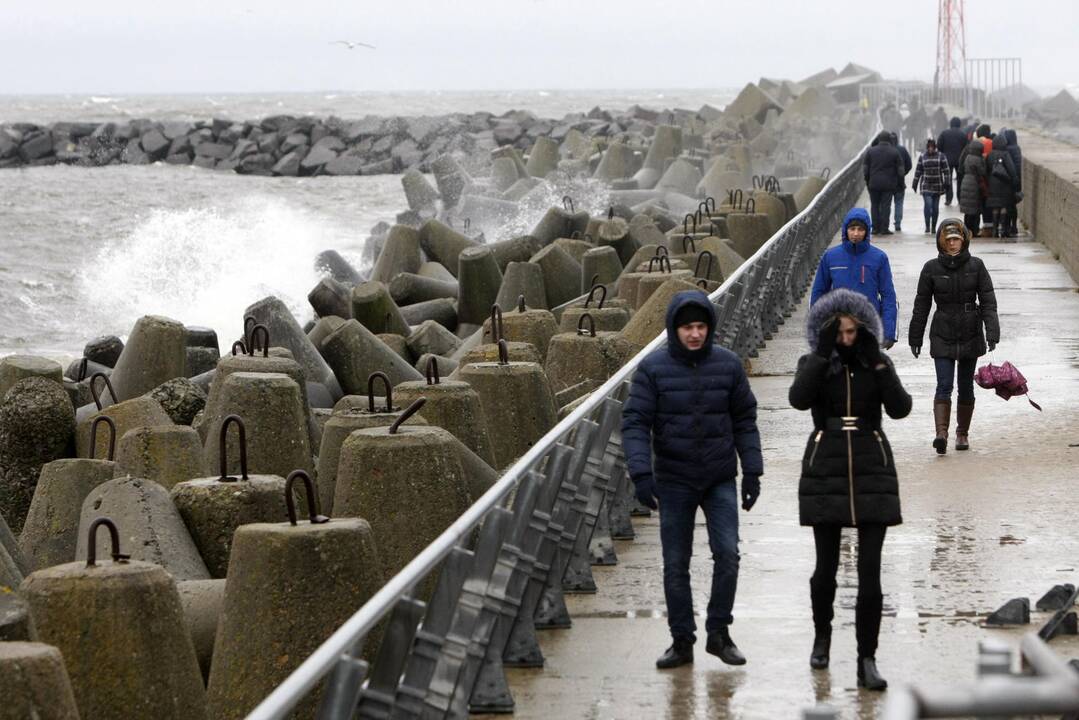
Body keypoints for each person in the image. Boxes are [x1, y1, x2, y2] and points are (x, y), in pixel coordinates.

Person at [621, 290, 763, 669]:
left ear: (710, 328)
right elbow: (635, 422)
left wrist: (752, 470)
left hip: (718, 476)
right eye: (688, 328)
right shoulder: (653, 369)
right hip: (674, 478)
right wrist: (640, 472)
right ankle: (682, 640)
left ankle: (719, 632)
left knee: (728, 555)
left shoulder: (728, 366)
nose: (695, 334)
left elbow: (744, 420)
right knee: (675, 563)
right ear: (674, 329)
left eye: (701, 327)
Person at [789, 288, 912, 690]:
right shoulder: (814, 362)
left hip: (870, 465)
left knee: (869, 572)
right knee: (825, 569)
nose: (845, 338)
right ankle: (822, 636)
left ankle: (867, 658)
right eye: (839, 332)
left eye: (851, 331)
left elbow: (900, 408)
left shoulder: (874, 362)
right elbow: (798, 398)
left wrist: (878, 361)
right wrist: (824, 355)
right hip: (826, 465)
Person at [908, 219, 1000, 453]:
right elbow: (921, 305)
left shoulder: (977, 266)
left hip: (970, 331)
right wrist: (915, 337)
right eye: (948, 240)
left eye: (956, 239)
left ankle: (962, 434)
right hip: (943, 332)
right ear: (941, 241)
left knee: (966, 386)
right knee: (944, 384)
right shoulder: (931, 268)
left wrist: (992, 332)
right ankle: (941, 433)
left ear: (964, 240)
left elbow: (988, 302)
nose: (952, 244)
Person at [811, 208, 899, 348]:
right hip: (839, 329)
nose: (856, 234)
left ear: (867, 231)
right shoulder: (831, 257)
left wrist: (889, 332)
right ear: (845, 230)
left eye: (860, 229)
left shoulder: (879, 258)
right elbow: (819, 293)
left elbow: (888, 296)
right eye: (852, 229)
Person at [863, 131, 903, 235]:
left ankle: (875, 228)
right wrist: (899, 182)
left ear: (879, 139)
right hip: (888, 184)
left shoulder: (870, 151)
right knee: (886, 206)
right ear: (889, 139)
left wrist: (868, 181)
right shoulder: (894, 152)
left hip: (874, 183)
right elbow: (900, 171)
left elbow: (865, 170)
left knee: (874, 205)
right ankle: (884, 228)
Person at [912, 139, 950, 234]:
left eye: (932, 147)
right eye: (929, 147)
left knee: (935, 208)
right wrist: (915, 183)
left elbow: (946, 170)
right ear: (927, 147)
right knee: (928, 206)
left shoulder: (941, 156)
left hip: (937, 186)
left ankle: (933, 226)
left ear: (935, 147)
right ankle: (927, 226)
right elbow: (918, 171)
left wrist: (947, 182)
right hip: (926, 185)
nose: (930, 149)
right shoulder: (922, 157)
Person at [985, 134, 1019, 238]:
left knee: (995, 207)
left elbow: (986, 169)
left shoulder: (990, 154)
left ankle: (995, 230)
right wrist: (1015, 182)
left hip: (992, 184)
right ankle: (1003, 229)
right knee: (1004, 206)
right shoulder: (1005, 154)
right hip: (1005, 184)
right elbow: (1012, 170)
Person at [957, 139, 987, 235]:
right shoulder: (979, 159)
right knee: (976, 209)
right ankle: (974, 230)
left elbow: (961, 168)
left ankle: (966, 230)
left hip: (966, 181)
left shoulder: (968, 157)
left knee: (968, 209)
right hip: (974, 183)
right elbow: (983, 171)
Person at [937, 117, 968, 206]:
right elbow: (967, 148)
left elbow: (939, 146)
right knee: (960, 180)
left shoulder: (944, 133)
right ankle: (960, 199)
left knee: (948, 179)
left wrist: (943, 154)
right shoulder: (963, 134)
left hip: (947, 160)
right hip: (960, 161)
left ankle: (948, 199)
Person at [1003, 128, 1023, 237]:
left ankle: (1008, 226)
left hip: (1010, 179)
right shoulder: (1017, 148)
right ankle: (1014, 225)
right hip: (1017, 179)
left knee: (1008, 205)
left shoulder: (1008, 149)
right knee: (1013, 205)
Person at [891, 132, 913, 232]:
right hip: (900, 181)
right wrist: (903, 173)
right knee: (898, 203)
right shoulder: (902, 150)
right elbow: (909, 164)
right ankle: (898, 223)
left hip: (887, 182)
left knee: (885, 204)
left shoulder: (887, 150)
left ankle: (884, 224)